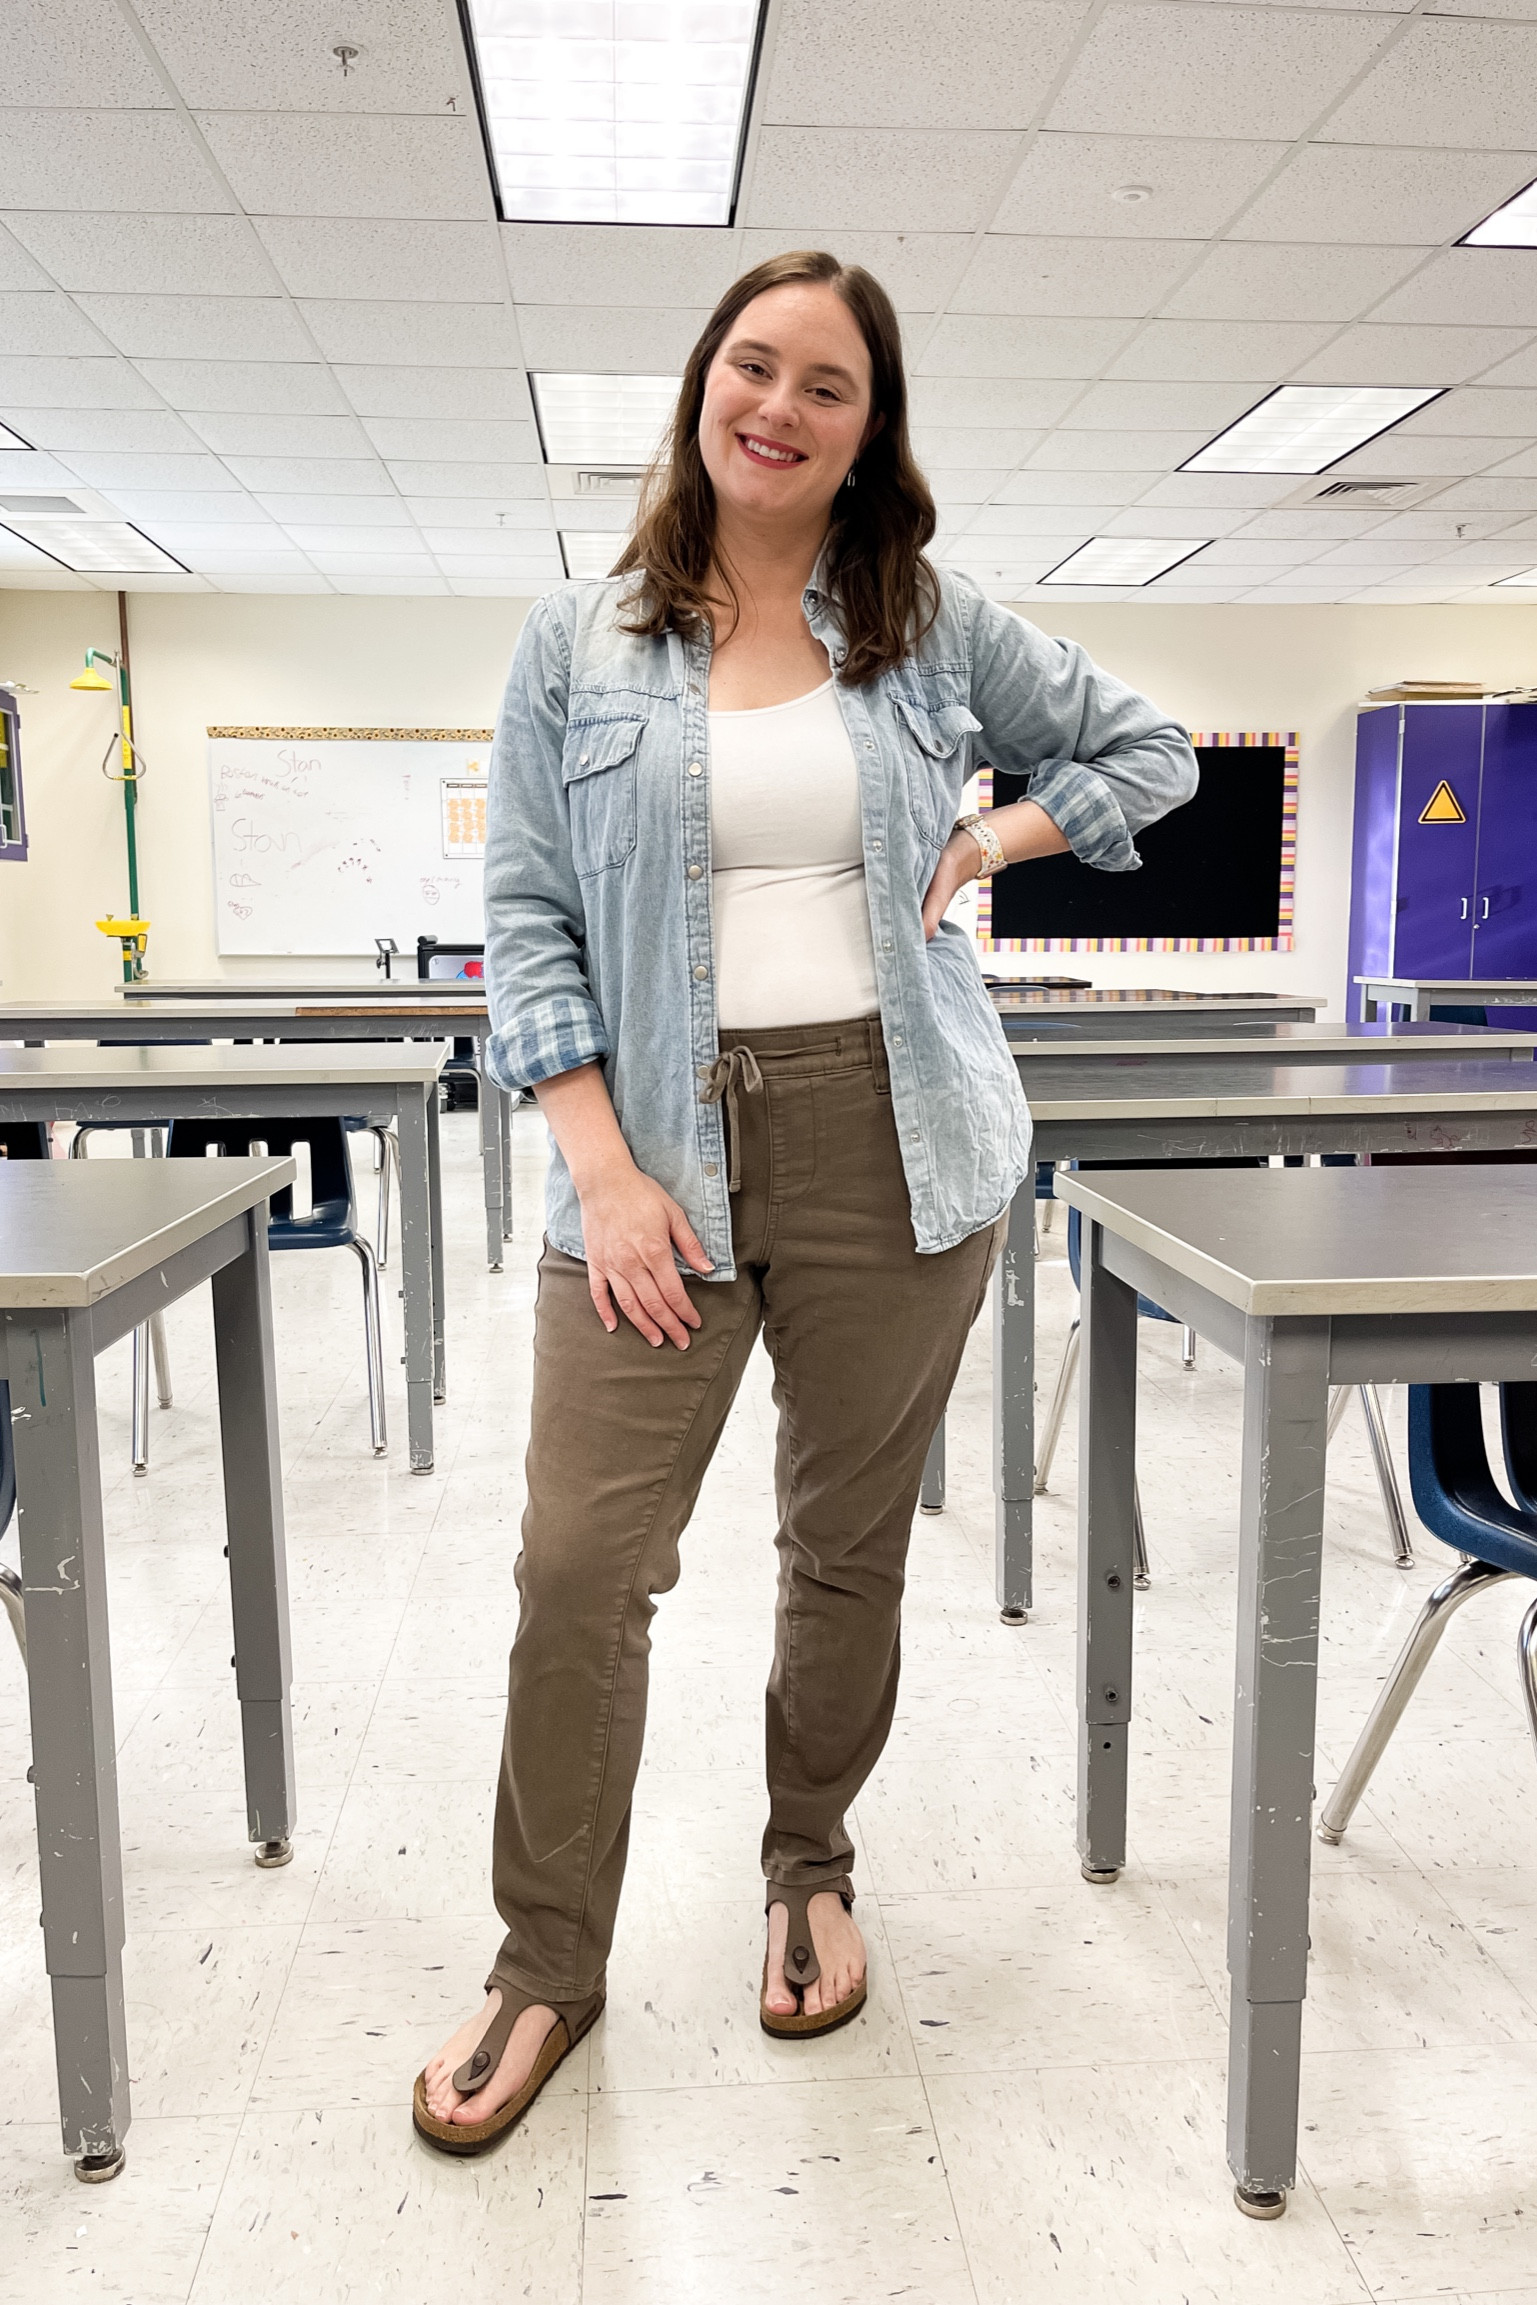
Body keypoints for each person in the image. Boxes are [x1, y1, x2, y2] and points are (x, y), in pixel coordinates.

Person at [414, 249, 1197, 2153]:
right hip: (649, 1166)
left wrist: (1001, 828)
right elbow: (522, 919)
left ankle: (806, 1865)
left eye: (826, 383)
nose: (780, 403)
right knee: (577, 1572)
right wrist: (598, 1168)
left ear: (869, 429)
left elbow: (1149, 751)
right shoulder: (573, 643)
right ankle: (544, 1965)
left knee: (842, 1556)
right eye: (752, 365)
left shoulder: (928, 626)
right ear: (703, 388)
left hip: (901, 1140)